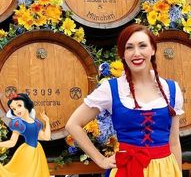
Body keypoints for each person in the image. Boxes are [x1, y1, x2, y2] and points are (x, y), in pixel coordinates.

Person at [66, 24, 184, 177]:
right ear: (122, 54)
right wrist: (101, 160)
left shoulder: (171, 89)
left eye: (142, 46)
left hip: (164, 171)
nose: (136, 53)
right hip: (127, 169)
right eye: (129, 48)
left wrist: (178, 172)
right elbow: (73, 124)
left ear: (153, 49)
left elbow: (174, 141)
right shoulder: (111, 89)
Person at [0, 93, 51, 177]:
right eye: (14, 109)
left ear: (26, 104)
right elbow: (12, 142)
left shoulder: (36, 123)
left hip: (38, 151)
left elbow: (46, 137)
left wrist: (47, 122)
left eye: (19, 105)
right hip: (27, 153)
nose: (17, 110)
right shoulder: (18, 123)